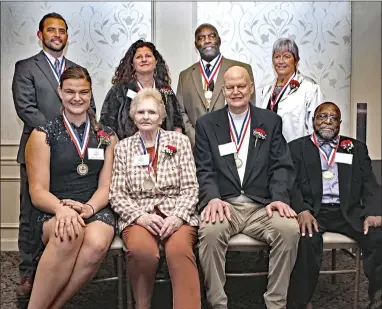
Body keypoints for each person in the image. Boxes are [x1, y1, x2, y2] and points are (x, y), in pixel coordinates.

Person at [195, 66, 300, 309]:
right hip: (224, 205)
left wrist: (280, 198)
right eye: (230, 87)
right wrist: (211, 198)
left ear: (251, 87)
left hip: (262, 206)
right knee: (209, 233)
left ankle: (276, 303)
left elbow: (281, 166)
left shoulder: (270, 121)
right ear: (223, 90)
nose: (236, 92)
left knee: (289, 229)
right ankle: (217, 303)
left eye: (241, 86)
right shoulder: (207, 124)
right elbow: (204, 169)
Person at [11, 12, 96, 297]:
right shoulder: (26, 67)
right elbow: (26, 108)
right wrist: (56, 135)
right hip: (38, 149)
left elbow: (89, 110)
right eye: (51, 30)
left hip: (75, 158)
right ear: (40, 35)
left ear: (67, 36)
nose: (57, 34)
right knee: (30, 213)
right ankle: (27, 273)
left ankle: (64, 264)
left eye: (61, 30)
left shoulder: (77, 69)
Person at [25, 66, 117, 309]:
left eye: (83, 92)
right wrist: (62, 209)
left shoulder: (107, 136)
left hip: (94, 206)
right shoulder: (42, 134)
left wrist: (88, 208)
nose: (77, 98)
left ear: (90, 94)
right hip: (53, 207)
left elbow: (106, 186)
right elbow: (37, 191)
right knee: (70, 233)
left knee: (97, 242)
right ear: (60, 92)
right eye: (70, 92)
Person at [110, 88, 200, 309]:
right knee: (143, 252)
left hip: (177, 213)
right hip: (139, 215)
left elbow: (191, 187)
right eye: (141, 112)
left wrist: (178, 216)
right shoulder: (123, 148)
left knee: (179, 251)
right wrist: (140, 217)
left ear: (162, 116)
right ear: (133, 116)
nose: (146, 117)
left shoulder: (180, 142)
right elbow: (117, 193)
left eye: (152, 112)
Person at [287, 102, 382, 309]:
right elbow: (290, 185)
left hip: (347, 210)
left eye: (333, 118)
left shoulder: (355, 148)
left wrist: (374, 212)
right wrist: (302, 210)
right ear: (313, 121)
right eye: (322, 116)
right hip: (314, 211)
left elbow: (370, 183)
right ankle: (301, 301)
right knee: (305, 238)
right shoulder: (296, 148)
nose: (327, 121)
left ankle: (378, 294)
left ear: (340, 123)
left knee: (377, 234)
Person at [177, 23, 255, 147]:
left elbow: (249, 106)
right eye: (201, 38)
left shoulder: (240, 69)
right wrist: (196, 138)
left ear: (219, 40)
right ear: (195, 45)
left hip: (232, 143)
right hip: (197, 148)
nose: (207, 41)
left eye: (211, 36)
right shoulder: (184, 76)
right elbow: (180, 112)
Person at [100, 40, 183, 140]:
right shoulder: (120, 90)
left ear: (156, 61)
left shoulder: (165, 89)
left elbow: (177, 122)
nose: (144, 60)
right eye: (139, 57)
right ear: (132, 64)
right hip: (128, 150)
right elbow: (107, 124)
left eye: (148, 56)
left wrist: (175, 145)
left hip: (162, 148)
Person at [258, 38, 322, 143]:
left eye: (286, 56)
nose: (281, 61)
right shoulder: (266, 90)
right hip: (269, 151)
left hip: (296, 152)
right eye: (277, 56)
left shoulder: (309, 88)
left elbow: (314, 127)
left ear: (296, 60)